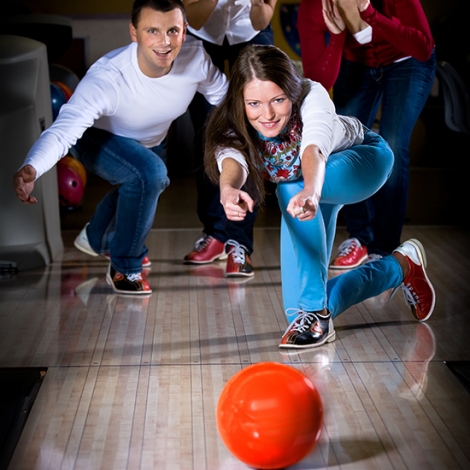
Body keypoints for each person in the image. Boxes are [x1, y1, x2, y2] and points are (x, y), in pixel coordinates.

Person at [203, 44, 435, 348]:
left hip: (363, 161)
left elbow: (314, 148)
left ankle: (316, 314)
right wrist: (228, 189)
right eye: (255, 104)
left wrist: (311, 192)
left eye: (278, 100)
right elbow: (232, 158)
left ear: (292, 91)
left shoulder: (313, 98)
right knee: (295, 312)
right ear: (241, 102)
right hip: (308, 186)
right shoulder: (235, 120)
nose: (268, 114)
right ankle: (400, 267)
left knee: (291, 186)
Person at [12, 0, 228, 295]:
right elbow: (64, 131)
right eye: (152, 31)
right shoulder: (108, 77)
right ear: (134, 33)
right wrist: (33, 166)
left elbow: (225, 98)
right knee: (149, 175)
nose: (164, 42)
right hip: (96, 139)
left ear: (185, 30)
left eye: (173, 31)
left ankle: (98, 236)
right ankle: (125, 266)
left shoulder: (195, 58)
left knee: (142, 180)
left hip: (152, 141)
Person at [297, 0, 437, 269]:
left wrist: (371, 14)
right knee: (344, 145)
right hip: (357, 65)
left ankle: (384, 246)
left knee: (393, 143)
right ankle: (360, 237)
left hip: (407, 60)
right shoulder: (313, 6)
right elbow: (319, 81)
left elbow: (423, 47)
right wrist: (338, 36)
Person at [182, 0, 277, 277]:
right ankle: (215, 232)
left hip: (251, 34)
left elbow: (261, 19)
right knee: (207, 134)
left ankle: (239, 243)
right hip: (202, 35)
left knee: (251, 134)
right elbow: (195, 18)